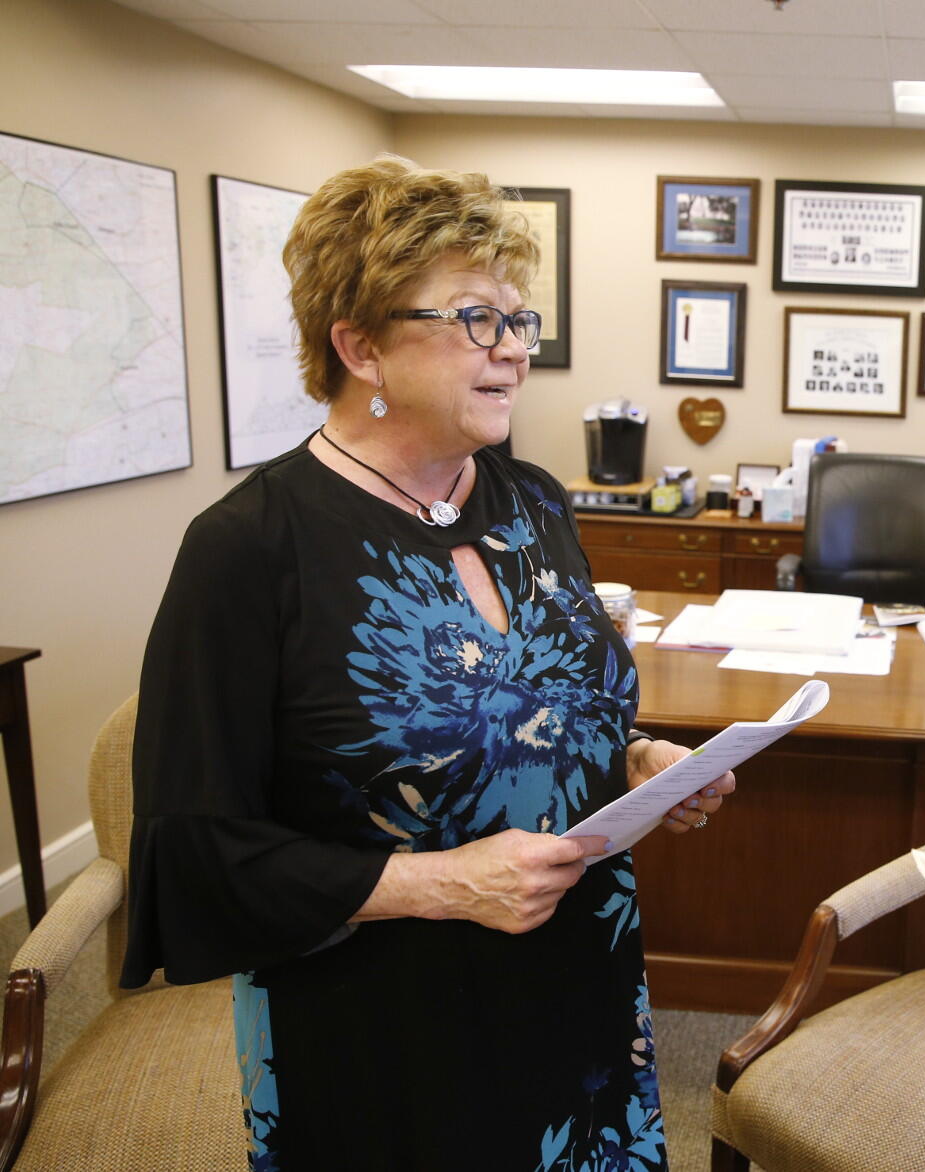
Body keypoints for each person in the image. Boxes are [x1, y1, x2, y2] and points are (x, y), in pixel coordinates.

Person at [124, 156, 733, 1171]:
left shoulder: (532, 500)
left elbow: (554, 706)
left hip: (579, 984)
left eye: (518, 320)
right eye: (474, 320)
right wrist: (443, 884)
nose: (513, 351)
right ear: (359, 345)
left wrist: (635, 766)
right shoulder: (250, 548)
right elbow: (194, 856)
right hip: (385, 1022)